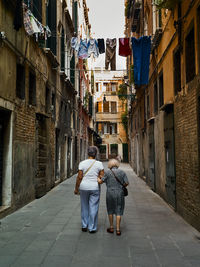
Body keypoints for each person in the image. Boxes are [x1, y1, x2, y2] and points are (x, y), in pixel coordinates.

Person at [74, 146, 104, 233]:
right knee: (93, 207)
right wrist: (98, 177)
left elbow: (79, 177)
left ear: (88, 153)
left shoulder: (82, 163)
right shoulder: (99, 164)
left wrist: (76, 189)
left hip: (83, 187)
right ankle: (92, 228)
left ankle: (84, 225)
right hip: (94, 187)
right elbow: (102, 176)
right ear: (96, 154)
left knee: (84, 206)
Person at [98, 159, 129, 236]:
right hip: (120, 193)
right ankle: (118, 229)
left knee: (110, 209)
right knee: (119, 209)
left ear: (109, 165)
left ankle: (111, 227)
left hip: (110, 193)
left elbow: (101, 181)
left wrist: (97, 178)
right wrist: (121, 186)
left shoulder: (107, 173)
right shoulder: (122, 172)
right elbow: (127, 182)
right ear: (117, 165)